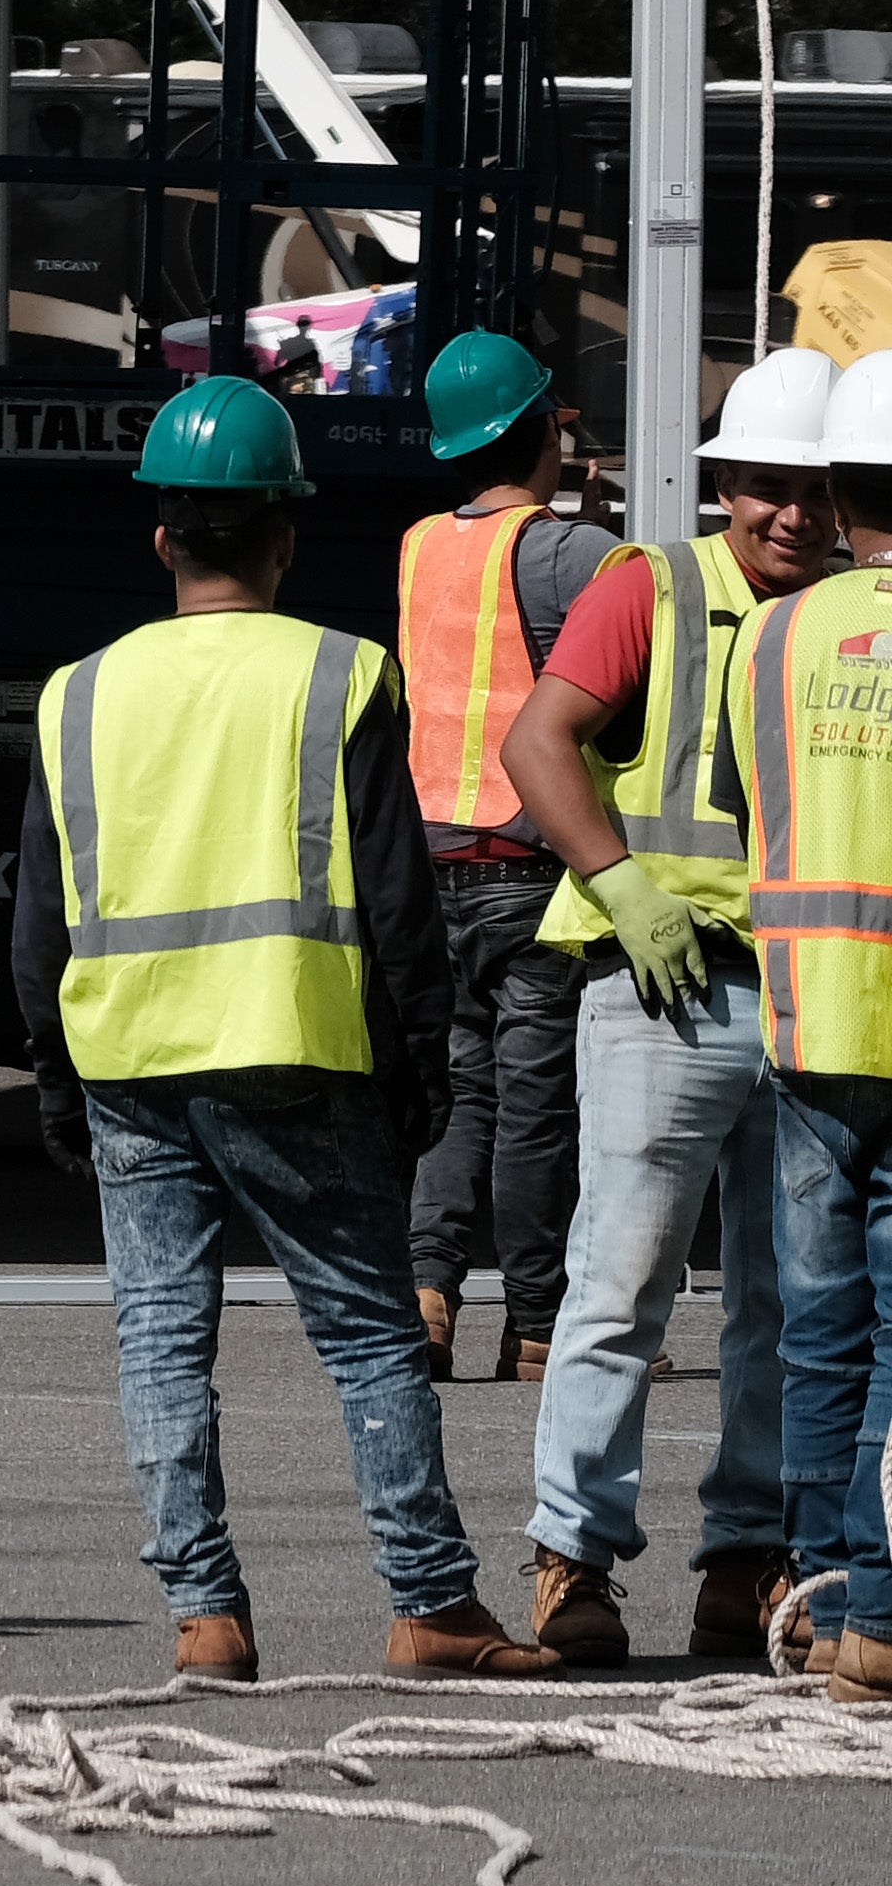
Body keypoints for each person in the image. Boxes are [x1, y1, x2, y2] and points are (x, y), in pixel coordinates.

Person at [14, 377, 550, 1680]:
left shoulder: (76, 693)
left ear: (162, 538)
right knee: (369, 1334)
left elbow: (42, 910)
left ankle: (206, 1614)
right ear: (286, 536)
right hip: (298, 1053)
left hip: (130, 1058)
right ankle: (428, 1602)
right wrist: (419, 1066)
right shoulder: (340, 676)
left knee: (159, 1335)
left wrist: (51, 1071)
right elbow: (396, 898)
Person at [506, 341, 840, 1666]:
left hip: (811, 996)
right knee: (624, 1282)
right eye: (766, 486)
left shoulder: (848, 614)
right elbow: (539, 741)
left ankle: (746, 1563)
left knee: (786, 1299)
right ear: (725, 487)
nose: (791, 514)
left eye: (815, 489)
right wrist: (622, 885)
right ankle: (571, 1561)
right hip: (665, 984)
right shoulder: (654, 585)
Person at [400, 331, 608, 1382]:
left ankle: (428, 1291)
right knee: (535, 1102)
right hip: (535, 869)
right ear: (542, 431)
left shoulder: (418, 544)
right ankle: (535, 1326)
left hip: (435, 861)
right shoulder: (574, 551)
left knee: (458, 1088)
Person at [741, 352, 892, 1696]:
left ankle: (817, 1592)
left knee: (818, 1326)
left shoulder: (776, 634)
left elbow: (761, 803)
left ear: (838, 490)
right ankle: (883, 1617)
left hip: (804, 1024)